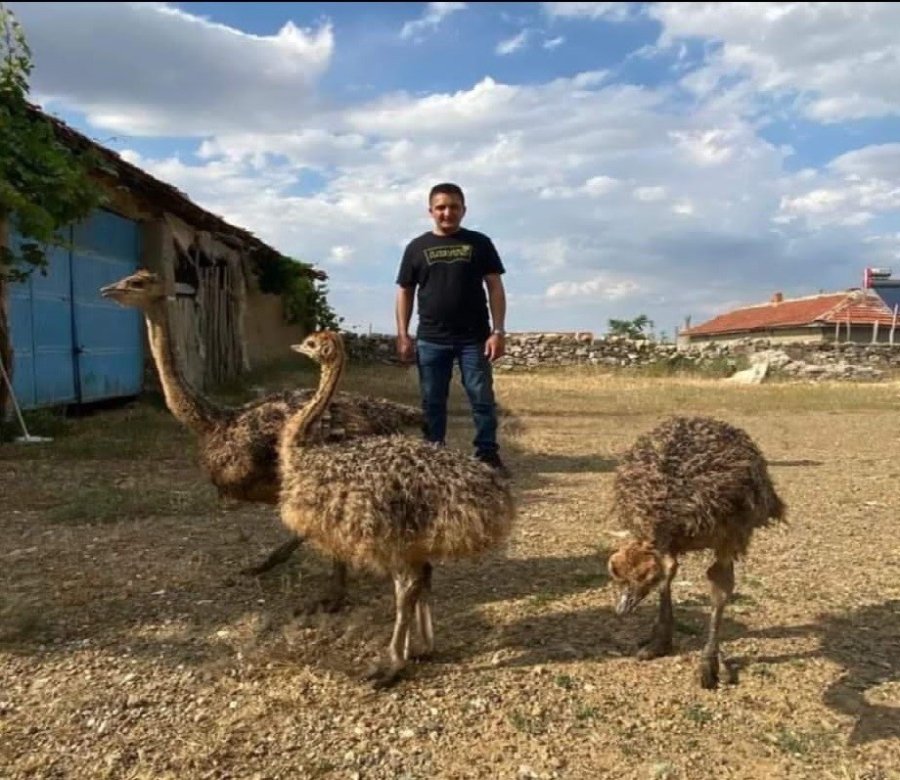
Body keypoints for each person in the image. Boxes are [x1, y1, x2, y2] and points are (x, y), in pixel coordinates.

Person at [395, 182, 510, 477]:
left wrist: (498, 331)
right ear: (431, 211)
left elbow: (495, 286)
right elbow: (405, 291)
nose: (447, 213)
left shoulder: (480, 243)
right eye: (441, 207)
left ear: (463, 209)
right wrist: (403, 334)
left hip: (474, 338)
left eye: (454, 207)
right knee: (432, 399)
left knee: (481, 397)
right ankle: (434, 455)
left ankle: (487, 453)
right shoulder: (416, 248)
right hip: (431, 339)